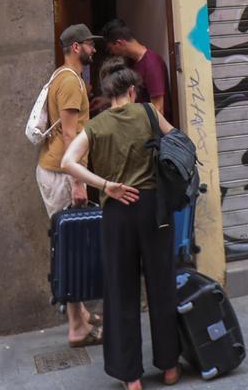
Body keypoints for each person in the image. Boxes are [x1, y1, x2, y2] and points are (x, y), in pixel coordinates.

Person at [61, 57, 183, 389]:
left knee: (121, 289)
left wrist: (104, 185)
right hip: (154, 208)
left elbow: (67, 161)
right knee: (161, 285)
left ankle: (131, 378)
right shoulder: (148, 113)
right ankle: (170, 367)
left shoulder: (96, 125)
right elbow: (179, 141)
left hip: (117, 210)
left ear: (107, 92)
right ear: (132, 90)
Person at [37, 23, 101, 348]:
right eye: (90, 44)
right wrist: (79, 182)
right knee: (71, 246)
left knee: (71, 242)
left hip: (56, 169)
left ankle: (82, 314)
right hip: (62, 173)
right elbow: (70, 134)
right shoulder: (71, 83)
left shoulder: (61, 77)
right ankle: (76, 325)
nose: (94, 49)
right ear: (76, 47)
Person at [102, 18, 173, 122]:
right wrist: (106, 101)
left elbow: (158, 109)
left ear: (119, 43)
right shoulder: (131, 62)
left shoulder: (152, 64)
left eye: (110, 49)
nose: (111, 53)